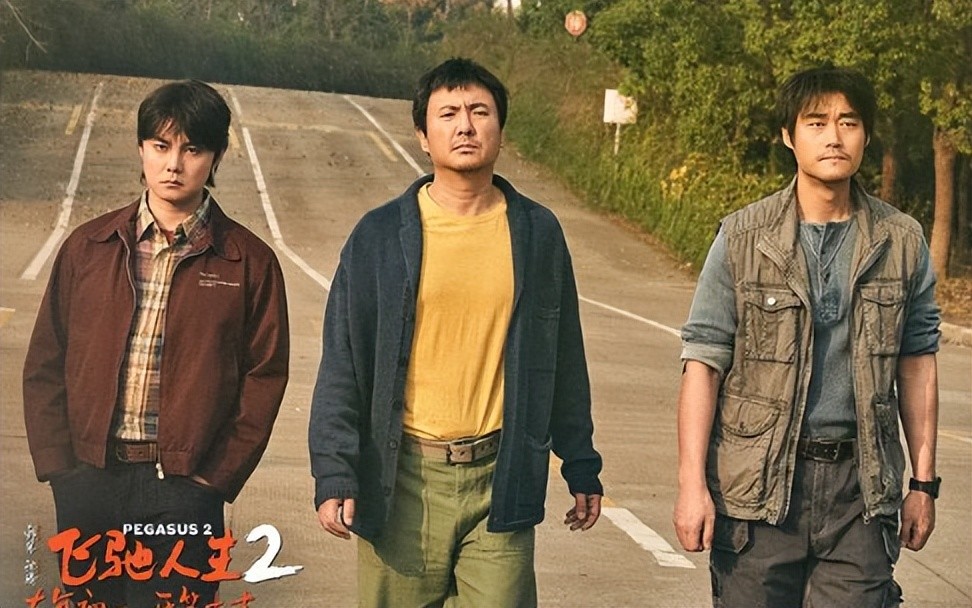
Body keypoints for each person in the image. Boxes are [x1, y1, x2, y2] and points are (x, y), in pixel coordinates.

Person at [309, 57, 603, 607]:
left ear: (500, 129)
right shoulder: (378, 236)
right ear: (423, 136)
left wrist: (581, 462)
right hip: (402, 478)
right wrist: (334, 472)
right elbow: (344, 361)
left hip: (501, 477)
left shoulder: (537, 233)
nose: (465, 125)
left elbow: (563, 356)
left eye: (479, 112)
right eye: (447, 114)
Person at [673, 65, 941, 607]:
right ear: (788, 136)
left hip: (860, 493)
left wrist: (922, 484)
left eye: (849, 122)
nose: (834, 137)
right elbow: (703, 363)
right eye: (816, 123)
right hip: (758, 490)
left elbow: (917, 364)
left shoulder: (902, 241)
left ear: (866, 135)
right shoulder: (742, 237)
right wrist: (691, 485)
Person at [22, 79, 290, 606]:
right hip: (89, 481)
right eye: (161, 145)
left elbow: (265, 377)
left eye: (192, 149)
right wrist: (62, 468)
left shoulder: (248, 261)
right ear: (141, 149)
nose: (173, 164)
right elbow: (46, 360)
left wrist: (213, 480)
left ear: (216, 157)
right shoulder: (88, 247)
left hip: (185, 491)